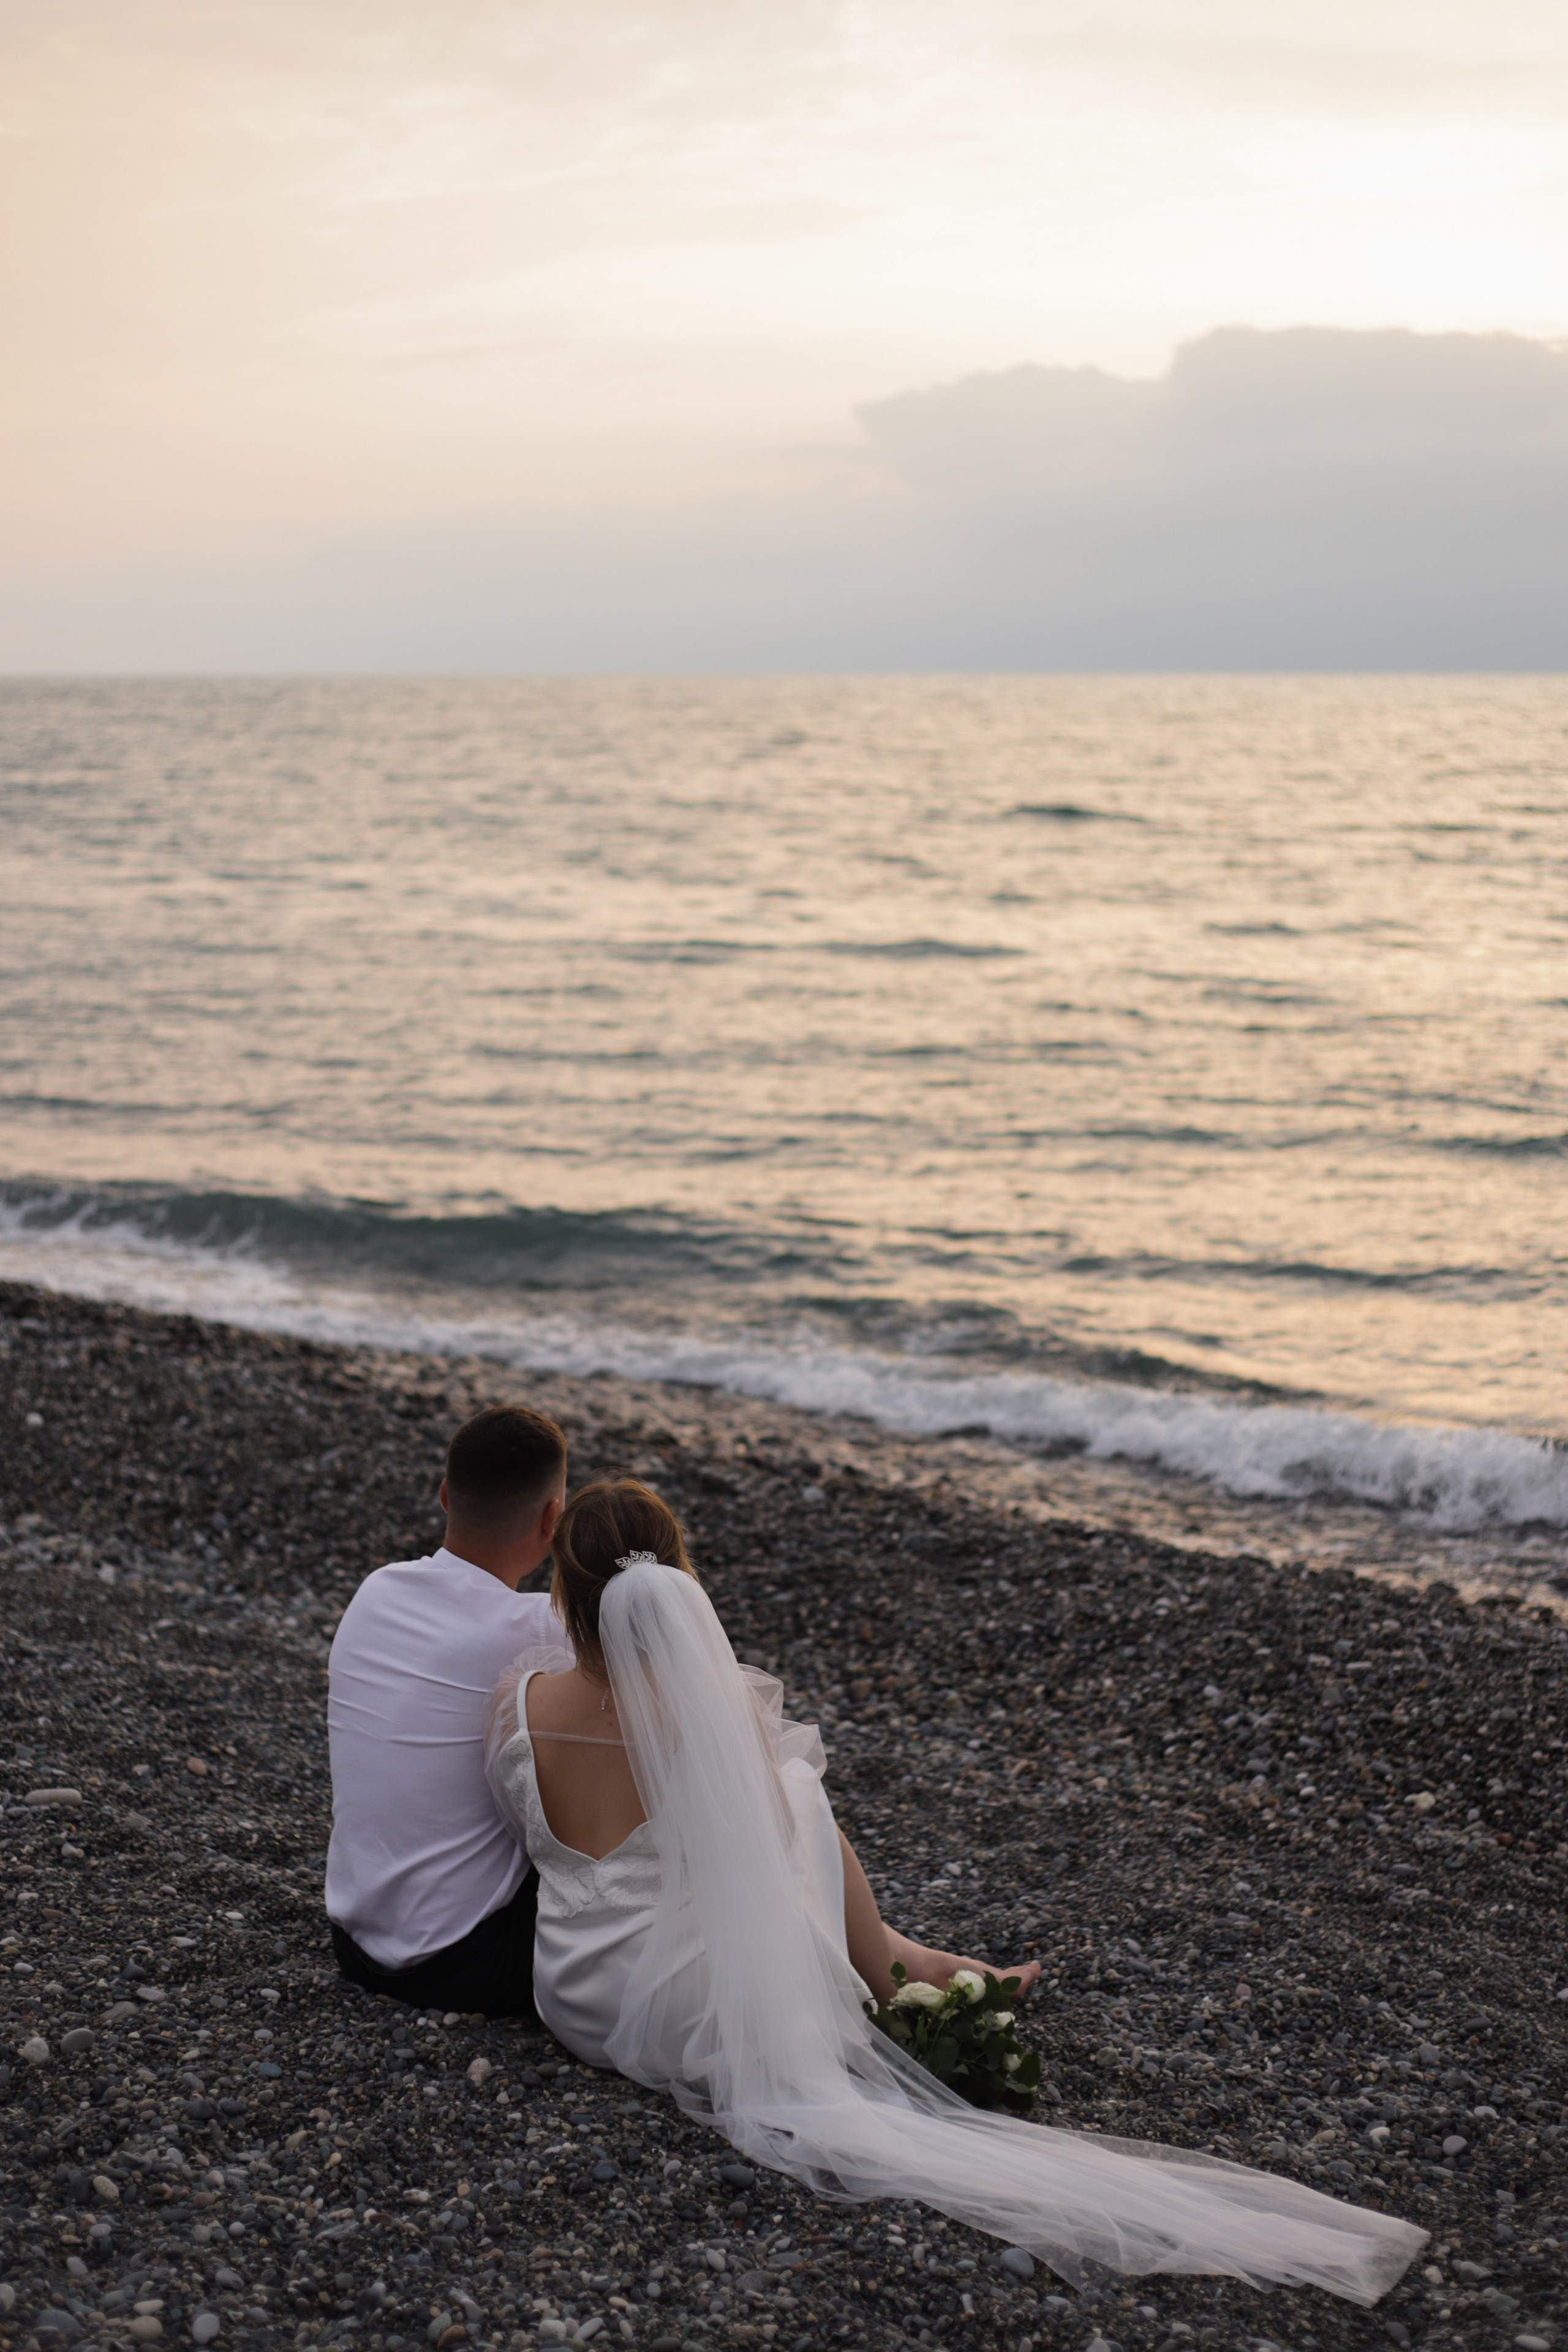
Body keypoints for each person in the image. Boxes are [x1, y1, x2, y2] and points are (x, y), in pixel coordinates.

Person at [486, 1479, 1426, 2308]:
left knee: (768, 1810)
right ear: (681, 1584)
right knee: (799, 1797)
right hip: (687, 2019)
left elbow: (531, 1827)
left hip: (575, 1998)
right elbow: (766, 1850)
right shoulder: (714, 1711)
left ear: (566, 1593)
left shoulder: (518, 1703)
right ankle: (900, 1969)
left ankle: (908, 1960)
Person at [325, 1403, 567, 2016]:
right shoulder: (536, 1627)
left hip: (355, 1943)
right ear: (552, 1519)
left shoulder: (377, 1589)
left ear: (443, 1496)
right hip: (467, 1961)